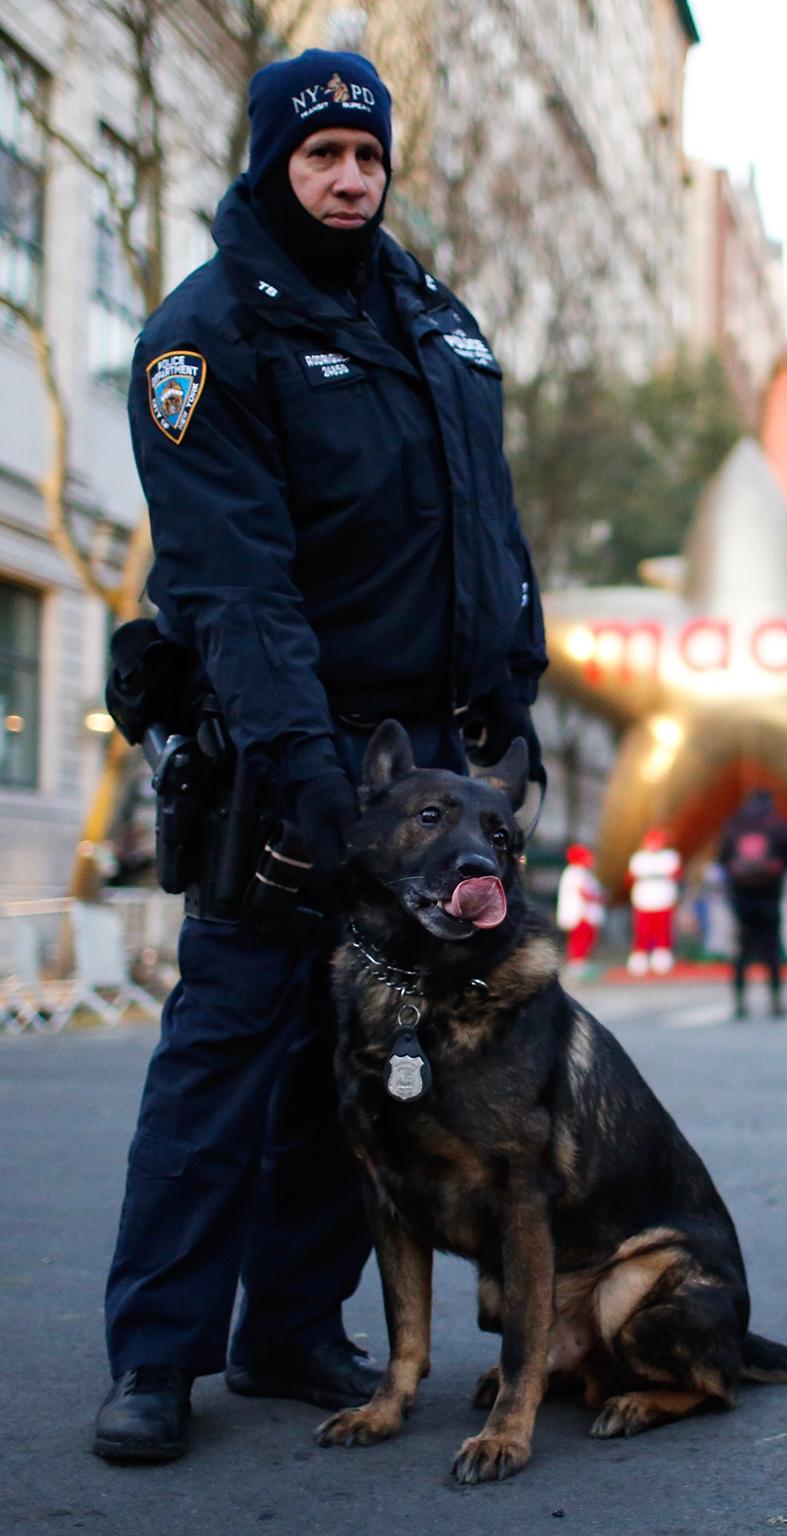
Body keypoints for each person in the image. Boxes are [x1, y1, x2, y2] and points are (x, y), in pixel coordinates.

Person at [94, 51, 548, 1464]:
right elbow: (234, 584)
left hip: (424, 774)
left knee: (361, 1062)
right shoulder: (206, 334)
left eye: (368, 154)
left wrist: (511, 690)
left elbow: (489, 527)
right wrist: (302, 772)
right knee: (229, 1050)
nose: (350, 177)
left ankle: (291, 1326)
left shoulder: (432, 318)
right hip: (282, 754)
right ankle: (155, 1360)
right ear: (270, 163)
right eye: (321, 156)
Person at [718, 790, 787, 1020]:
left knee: (742, 951)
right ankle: (775, 1001)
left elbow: (722, 858)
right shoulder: (776, 825)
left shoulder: (735, 825)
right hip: (769, 895)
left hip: (741, 897)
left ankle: (739, 1002)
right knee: (771, 950)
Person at [627, 830, 681, 976]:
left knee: (662, 931)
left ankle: (661, 960)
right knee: (643, 932)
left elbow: (676, 874)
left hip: (663, 900)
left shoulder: (670, 857)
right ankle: (640, 960)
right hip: (644, 900)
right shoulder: (639, 858)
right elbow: (631, 877)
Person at [556, 844, 605, 979]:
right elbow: (584, 892)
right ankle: (576, 964)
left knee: (587, 938)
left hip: (586, 913)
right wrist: (599, 897)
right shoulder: (575, 872)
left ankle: (582, 962)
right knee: (580, 939)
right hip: (580, 913)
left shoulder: (582, 873)